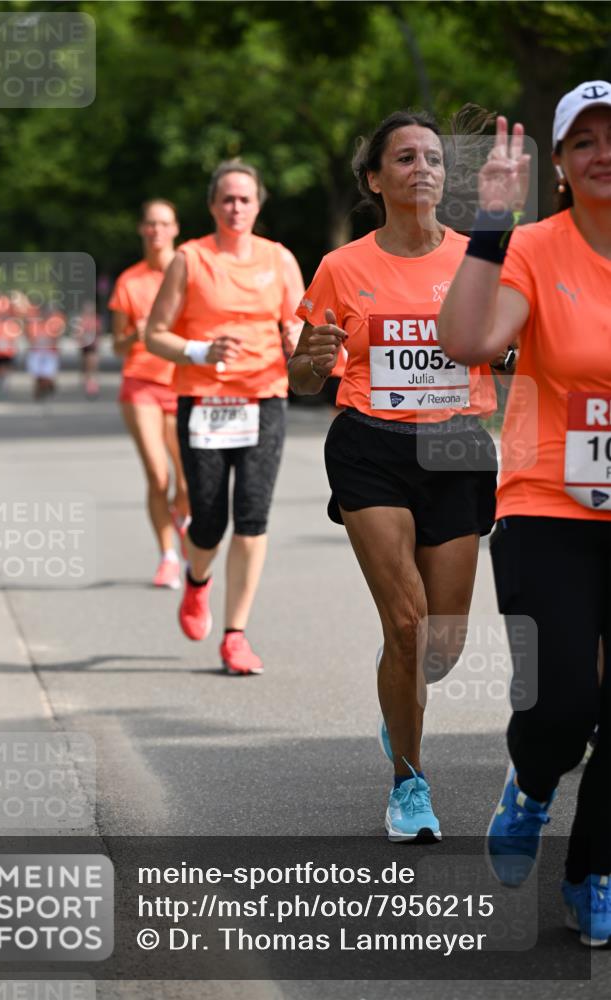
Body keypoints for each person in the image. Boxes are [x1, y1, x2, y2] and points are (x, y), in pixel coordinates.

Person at [288, 110, 499, 842]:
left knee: (439, 646)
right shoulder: (341, 268)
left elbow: (508, 344)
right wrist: (311, 359)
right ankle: (409, 781)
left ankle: (397, 696)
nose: (422, 168)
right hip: (369, 447)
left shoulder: (481, 261)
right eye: (404, 158)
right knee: (406, 627)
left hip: (457, 449)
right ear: (374, 179)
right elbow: (306, 372)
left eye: (433, 158)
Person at [437, 81, 611, 946]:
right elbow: (467, 344)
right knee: (562, 704)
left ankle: (593, 869)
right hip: (549, 500)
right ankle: (532, 787)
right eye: (583, 140)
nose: (603, 151)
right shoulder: (535, 249)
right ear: (556, 165)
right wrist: (490, 223)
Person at [145, 160, 305, 675]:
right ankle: (196, 582)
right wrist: (199, 350)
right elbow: (155, 334)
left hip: (264, 397)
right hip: (205, 401)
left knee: (253, 515)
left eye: (245, 199)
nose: (236, 207)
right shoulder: (190, 259)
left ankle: (235, 634)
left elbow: (298, 323)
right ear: (213, 205)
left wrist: (296, 341)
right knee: (209, 521)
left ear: (259, 205)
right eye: (227, 199)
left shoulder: (279, 259)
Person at [109, 199, 190, 588]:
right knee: (158, 476)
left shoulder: (188, 271)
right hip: (140, 382)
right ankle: (168, 556)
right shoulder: (129, 281)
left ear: (175, 229)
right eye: (150, 224)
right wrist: (133, 335)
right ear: (142, 230)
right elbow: (116, 346)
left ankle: (182, 521)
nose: (157, 231)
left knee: (188, 481)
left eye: (164, 224)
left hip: (181, 382)